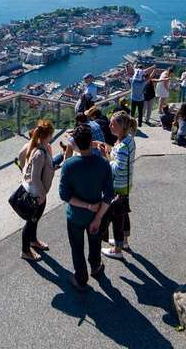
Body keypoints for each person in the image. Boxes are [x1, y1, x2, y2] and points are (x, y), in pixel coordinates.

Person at [58, 125, 113, 292]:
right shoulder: (103, 163)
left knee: (77, 247)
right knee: (94, 242)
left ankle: (81, 278)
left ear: (75, 143)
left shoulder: (69, 165)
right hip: (96, 214)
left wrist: (86, 205)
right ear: (92, 141)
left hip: (75, 215)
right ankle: (96, 267)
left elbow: (65, 196)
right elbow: (109, 194)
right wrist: (97, 216)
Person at [98, 112, 137, 260]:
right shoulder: (128, 140)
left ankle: (117, 249)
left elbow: (118, 168)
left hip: (118, 185)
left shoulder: (122, 146)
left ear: (121, 126)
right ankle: (124, 242)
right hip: (125, 183)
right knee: (123, 212)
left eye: (113, 124)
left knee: (117, 218)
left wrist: (105, 157)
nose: (109, 126)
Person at [19, 120, 55, 261]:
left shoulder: (36, 146)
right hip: (37, 194)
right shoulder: (39, 152)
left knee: (34, 220)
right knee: (30, 221)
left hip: (36, 191)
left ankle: (33, 241)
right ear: (49, 135)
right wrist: (41, 195)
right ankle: (25, 251)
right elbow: (34, 177)